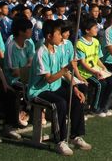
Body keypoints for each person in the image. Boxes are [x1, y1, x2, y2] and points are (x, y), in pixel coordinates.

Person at [27, 20, 89, 156]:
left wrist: (75, 88)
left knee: (76, 98)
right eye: (59, 34)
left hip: (54, 87)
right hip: (39, 91)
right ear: (49, 36)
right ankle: (60, 141)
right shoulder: (41, 53)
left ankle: (75, 135)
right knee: (59, 103)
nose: (62, 37)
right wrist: (67, 68)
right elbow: (48, 78)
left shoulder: (57, 50)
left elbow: (64, 72)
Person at [76, 18, 112, 117]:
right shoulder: (80, 44)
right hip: (85, 73)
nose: (97, 30)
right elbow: (82, 63)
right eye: (94, 28)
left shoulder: (95, 41)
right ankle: (95, 108)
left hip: (96, 70)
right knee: (100, 84)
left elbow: (97, 59)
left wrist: (103, 68)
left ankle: (104, 106)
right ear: (87, 30)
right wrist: (94, 72)